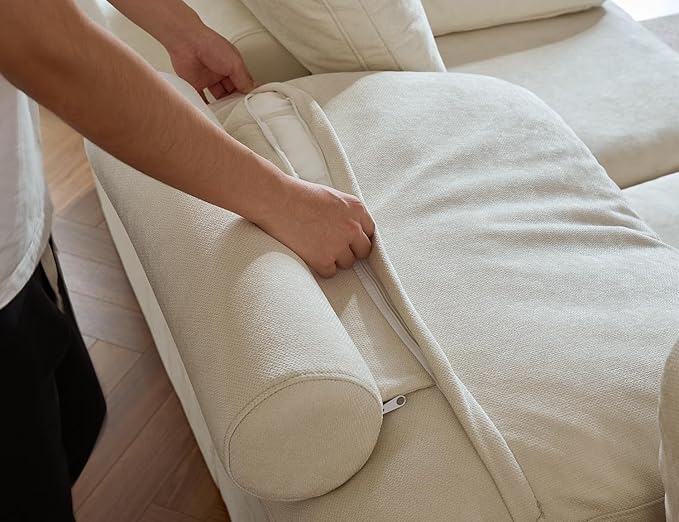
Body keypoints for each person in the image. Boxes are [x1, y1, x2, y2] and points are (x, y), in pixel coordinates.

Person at [0, 1, 375, 520]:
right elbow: (51, 48)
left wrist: (178, 27)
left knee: (75, 422)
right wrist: (281, 202)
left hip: (16, 237)